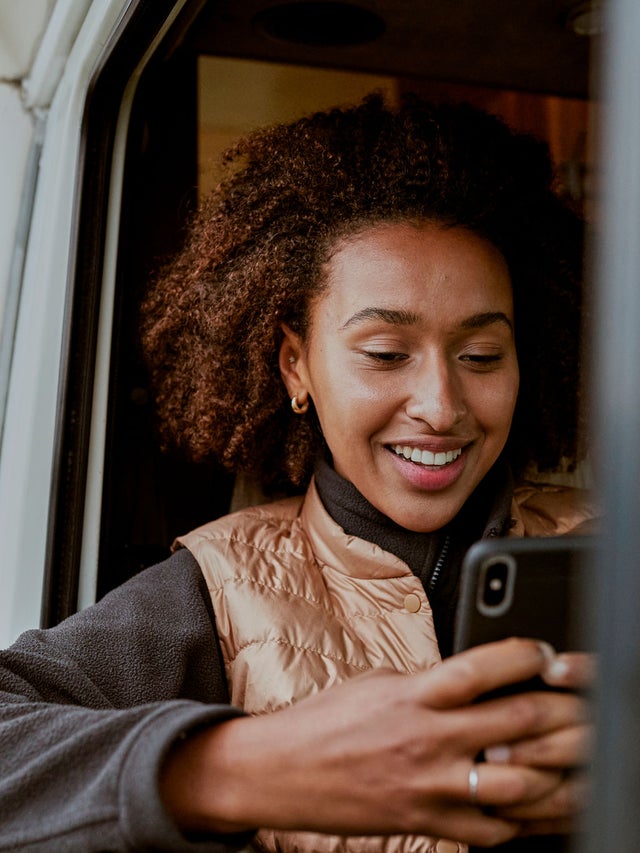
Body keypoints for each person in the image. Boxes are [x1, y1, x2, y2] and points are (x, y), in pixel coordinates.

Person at [0, 94, 596, 852]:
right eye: (385, 354)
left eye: (481, 356)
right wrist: (248, 769)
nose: (442, 406)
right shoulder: (215, 590)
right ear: (295, 364)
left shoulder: (617, 546)